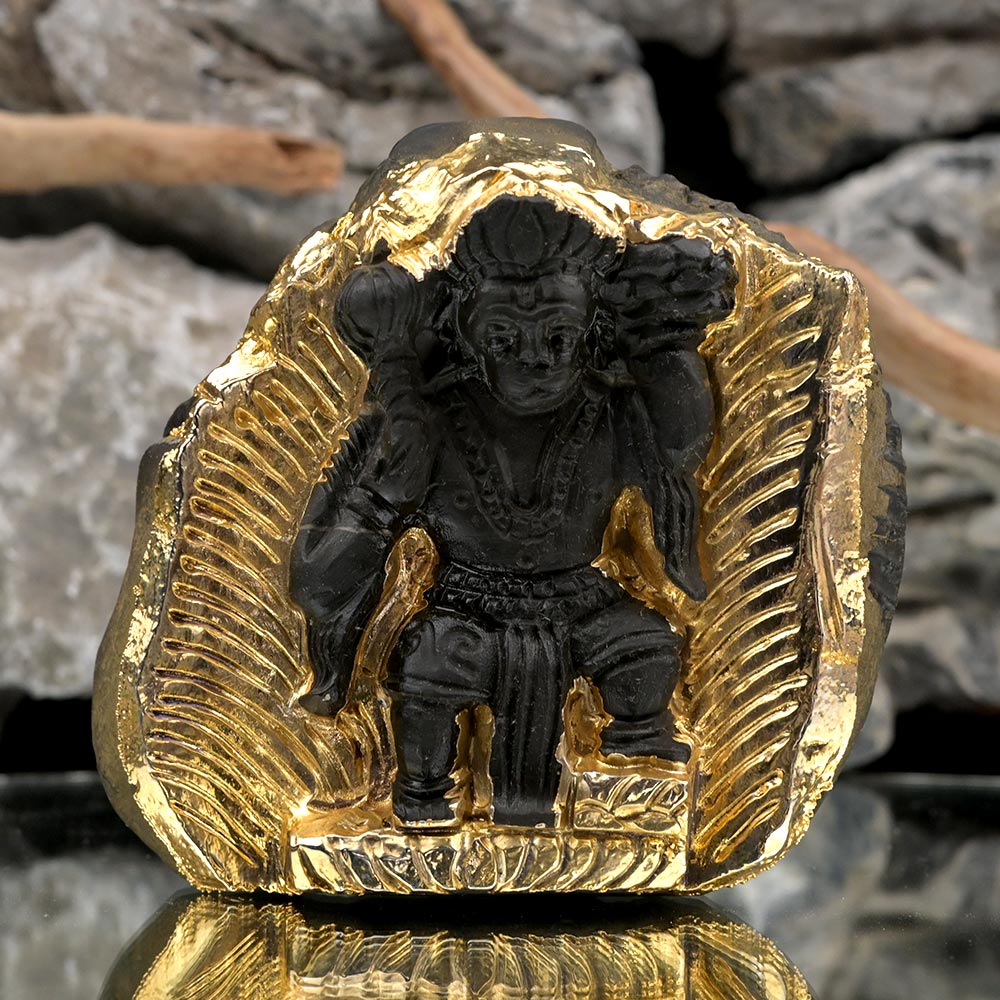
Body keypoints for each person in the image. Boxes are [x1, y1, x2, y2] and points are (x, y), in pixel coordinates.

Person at [290, 195, 736, 827]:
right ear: (465, 335)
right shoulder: (428, 422)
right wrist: (387, 492)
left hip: (583, 600)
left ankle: (633, 790)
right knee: (427, 669)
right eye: (504, 337)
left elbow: (683, 446)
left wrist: (668, 339)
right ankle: (423, 801)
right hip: (466, 607)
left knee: (648, 654)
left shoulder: (609, 408)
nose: (535, 358)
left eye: (559, 335)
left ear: (590, 329)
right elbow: (318, 582)